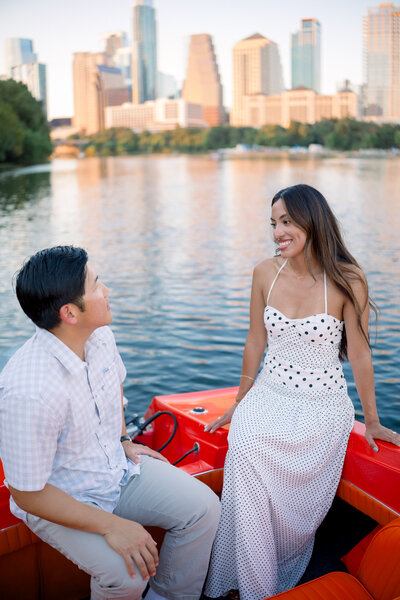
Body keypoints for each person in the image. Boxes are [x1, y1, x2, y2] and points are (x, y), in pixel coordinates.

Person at [204, 184, 400, 600]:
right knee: (246, 447)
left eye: (287, 221)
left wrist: (374, 421)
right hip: (268, 394)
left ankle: (272, 567)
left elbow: (361, 355)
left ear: (312, 221)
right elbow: (255, 341)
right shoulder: (263, 272)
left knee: (276, 482)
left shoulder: (348, 279)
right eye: (274, 223)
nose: (278, 231)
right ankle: (253, 585)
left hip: (321, 406)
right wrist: (240, 402)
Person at [0, 245, 220, 600]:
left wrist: (122, 440)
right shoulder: (29, 389)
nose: (107, 291)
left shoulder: (99, 334)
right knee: (126, 574)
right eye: (97, 284)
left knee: (204, 509)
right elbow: (27, 494)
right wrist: (113, 526)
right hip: (61, 498)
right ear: (70, 312)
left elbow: (112, 386)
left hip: (113, 470)